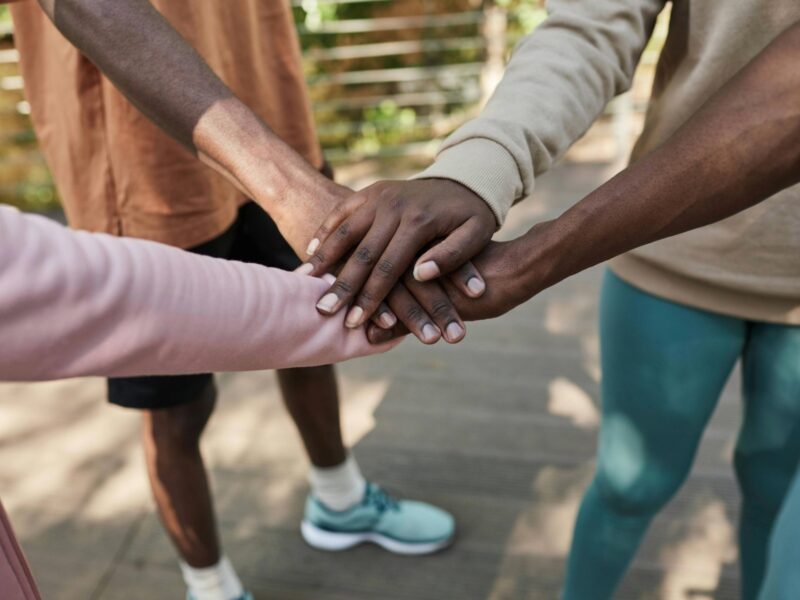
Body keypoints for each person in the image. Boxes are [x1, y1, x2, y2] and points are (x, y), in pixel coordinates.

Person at [302, 3, 800, 600]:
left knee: (774, 490)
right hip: (671, 249)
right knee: (629, 484)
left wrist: (543, 254)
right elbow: (593, 24)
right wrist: (475, 173)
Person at [9, 1, 454, 599]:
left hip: (271, 108)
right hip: (145, 160)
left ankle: (340, 500)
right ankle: (212, 588)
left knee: (324, 316)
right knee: (176, 404)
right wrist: (287, 187)